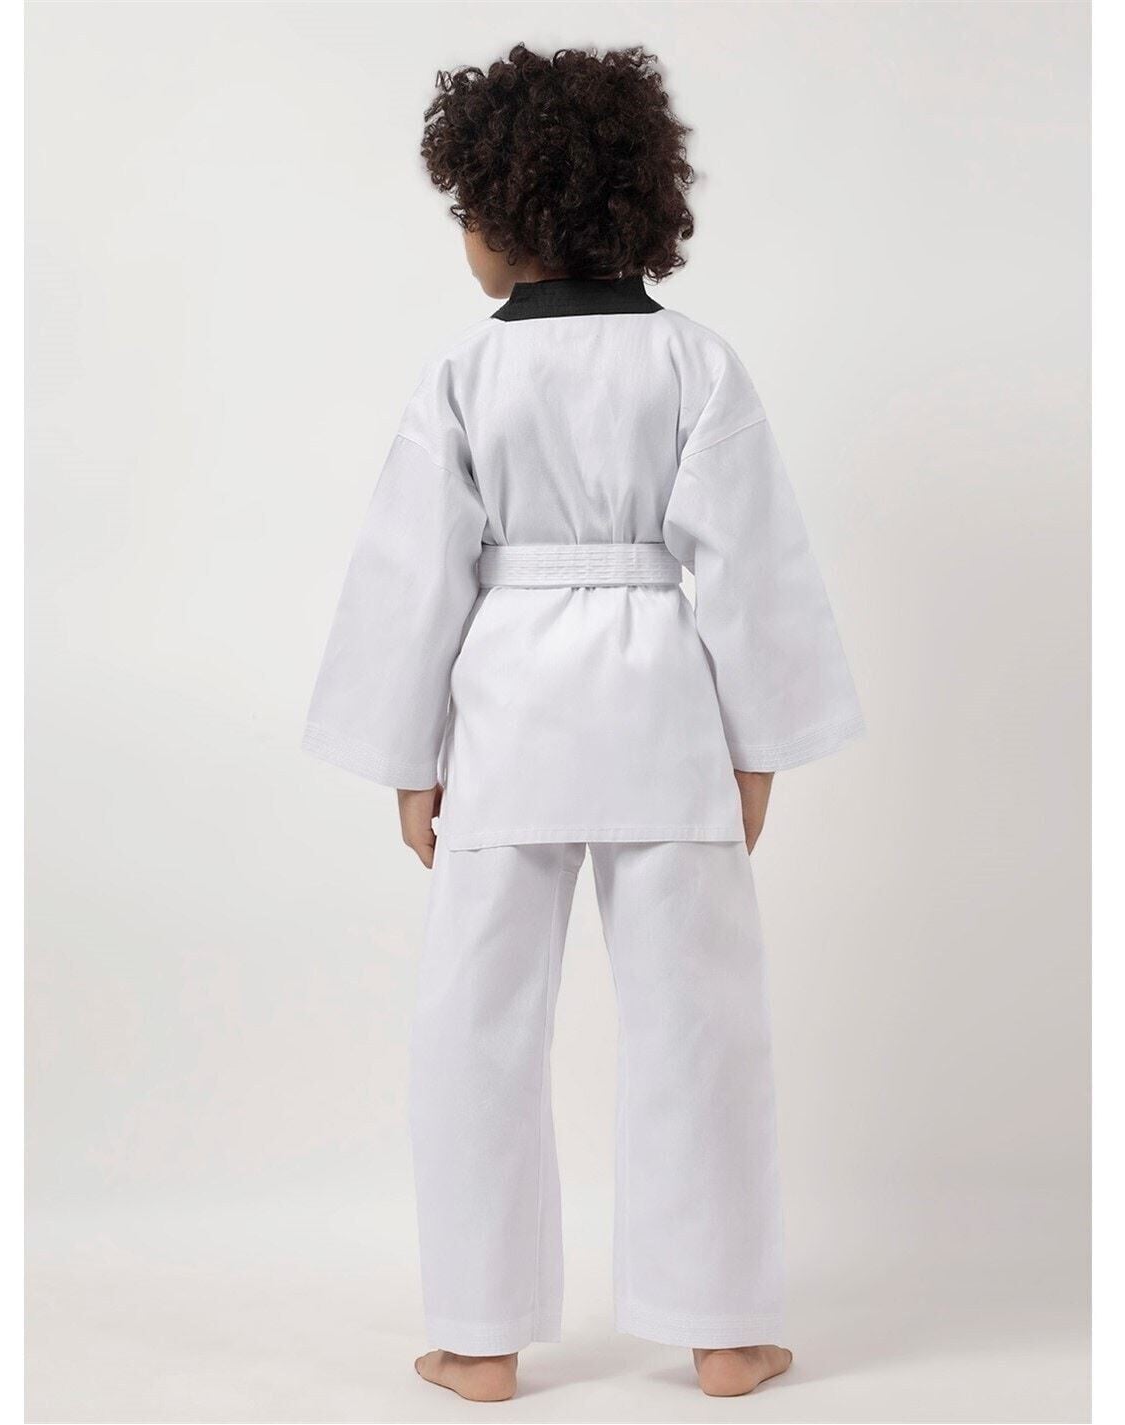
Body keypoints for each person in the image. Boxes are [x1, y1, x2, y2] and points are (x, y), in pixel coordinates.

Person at [304, 42, 863, 1402]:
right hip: (663, 702)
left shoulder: (463, 374)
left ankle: (478, 1336)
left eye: (465, 212)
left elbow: (410, 573)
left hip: (507, 714)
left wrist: (409, 759)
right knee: (698, 1017)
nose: (463, 238)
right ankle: (724, 1329)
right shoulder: (697, 364)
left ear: (504, 213)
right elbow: (751, 563)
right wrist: (755, 746)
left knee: (476, 1018)